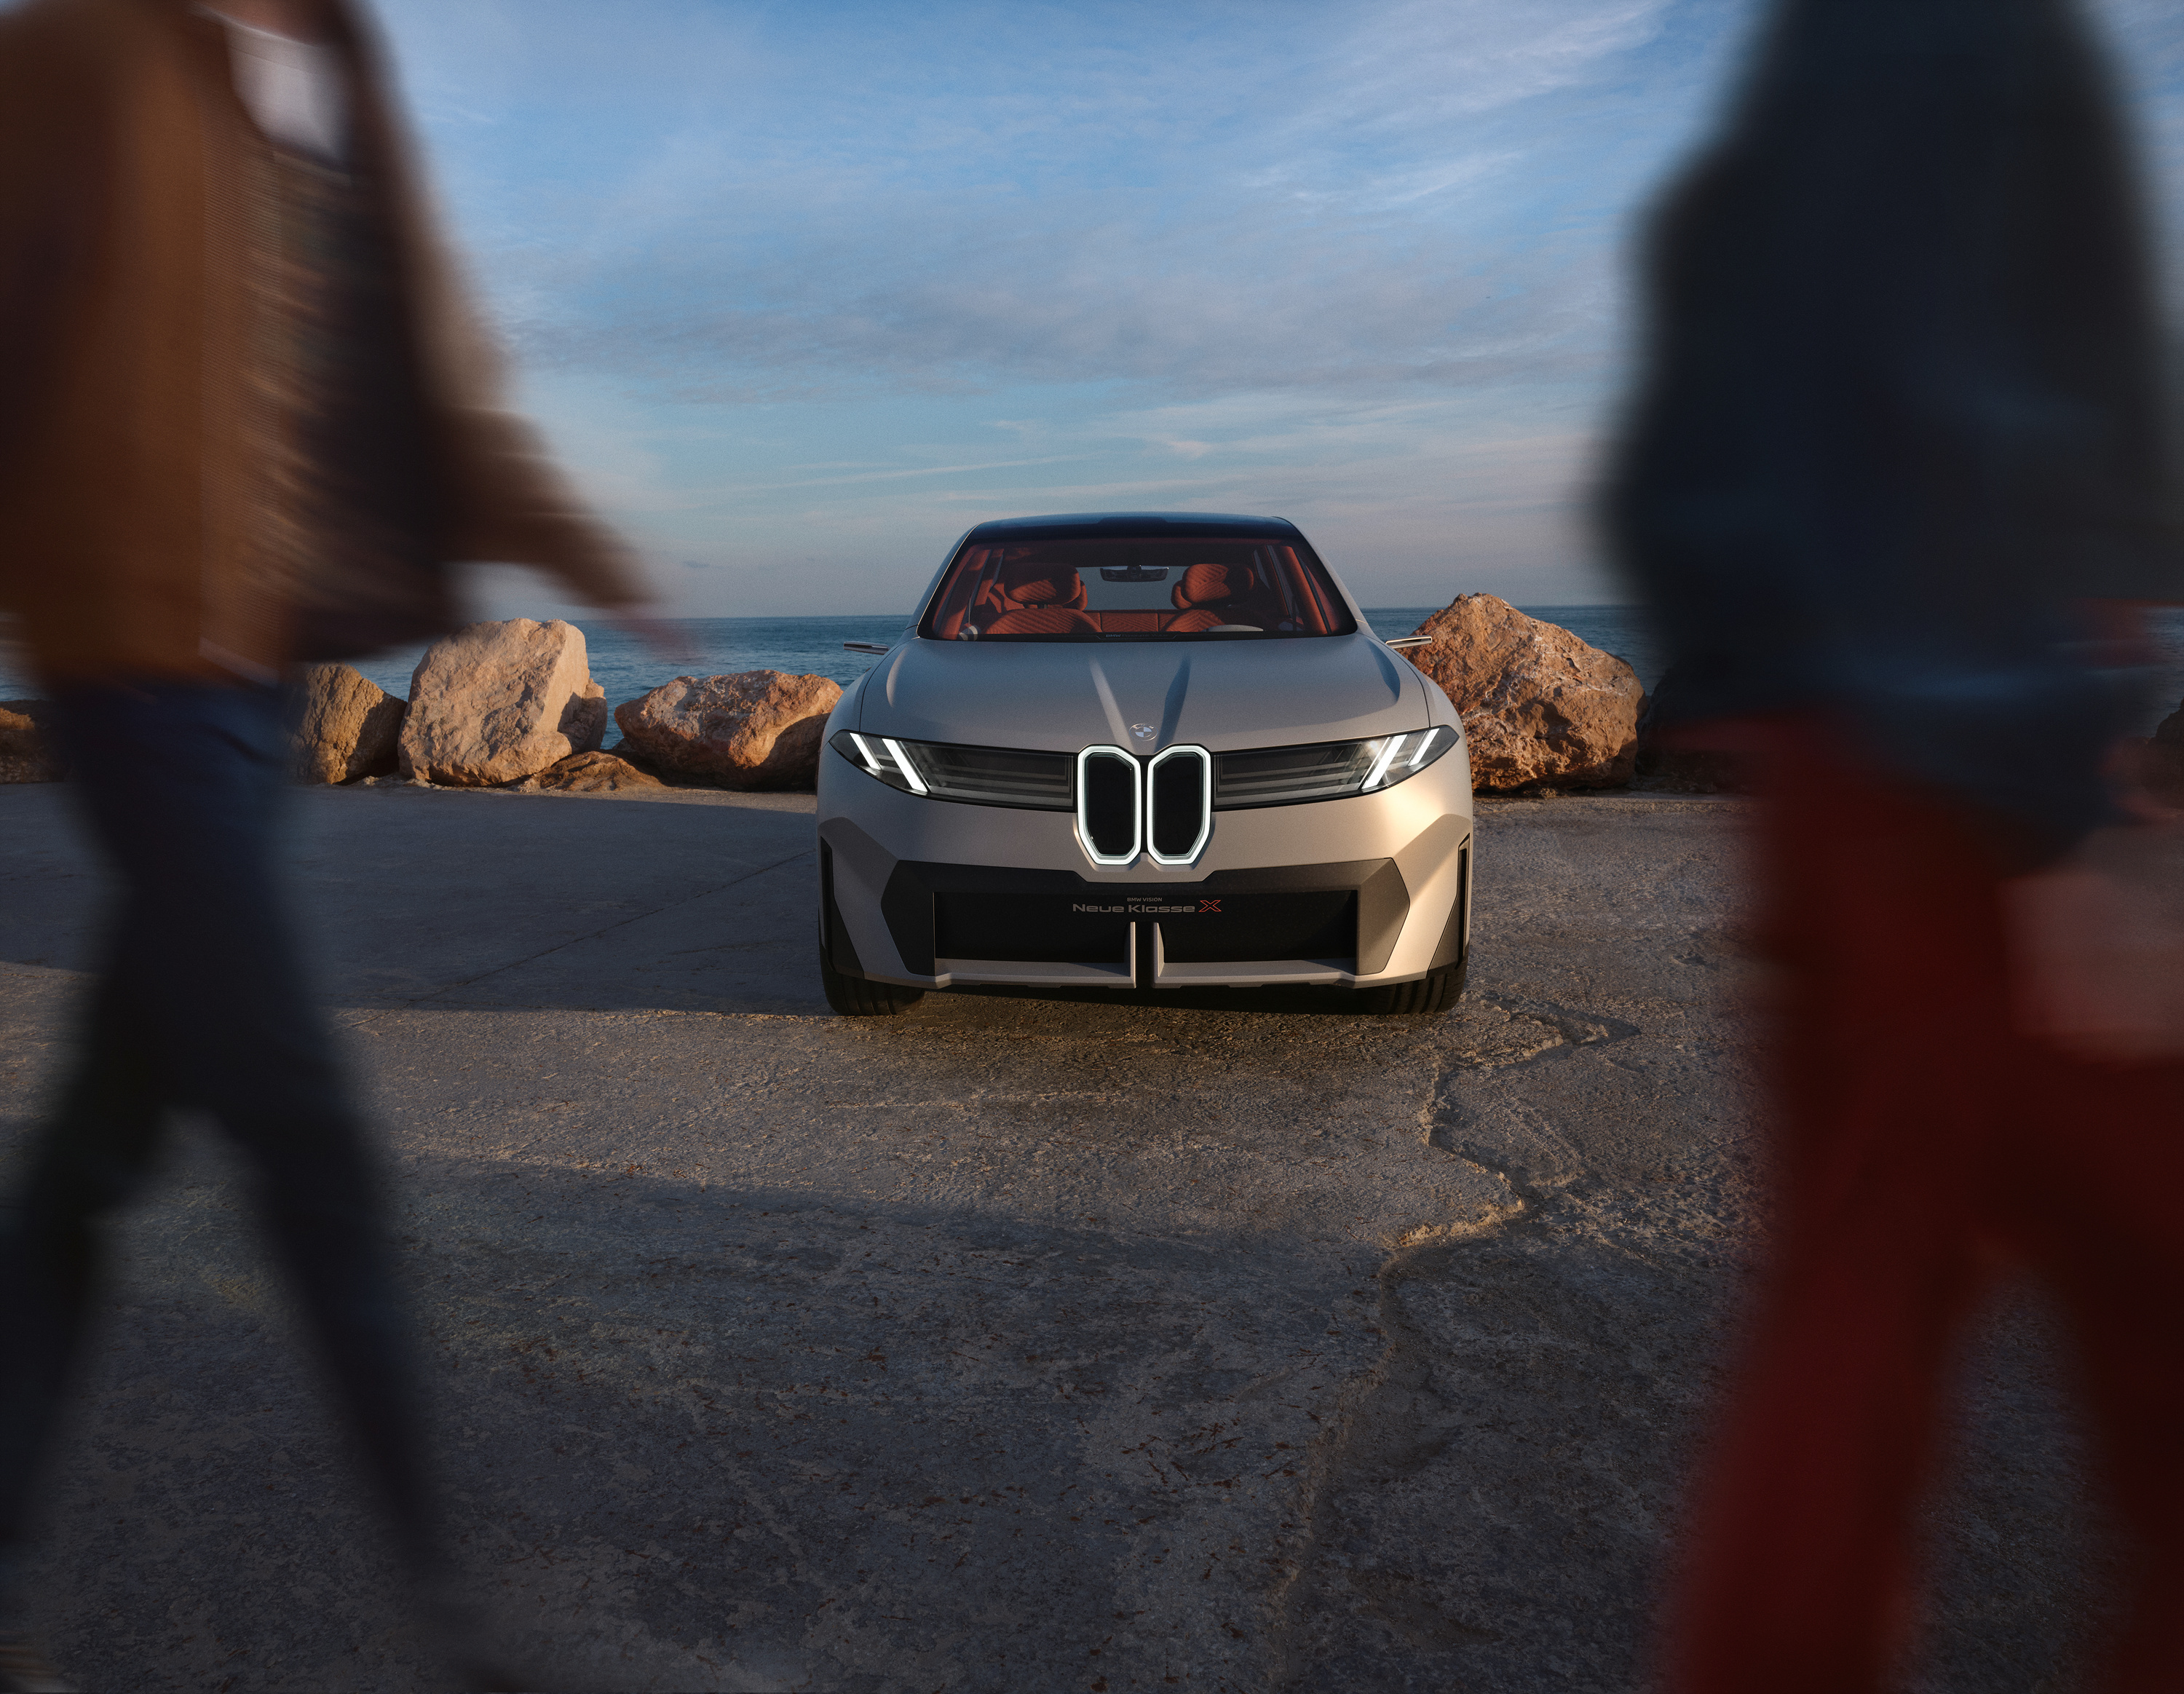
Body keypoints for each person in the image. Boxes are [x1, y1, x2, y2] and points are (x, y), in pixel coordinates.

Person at [0, 1, 657, 1688]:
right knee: (309, 1141)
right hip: (131, 673)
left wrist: (588, 553)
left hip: (251, 696)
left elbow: (427, 380)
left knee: (86, 1166)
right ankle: (455, 1621)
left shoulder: (336, 73)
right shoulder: (80, 52)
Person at [1602, 0, 2184, 1688]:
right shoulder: (1949, 35)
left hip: (1835, 765)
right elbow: (1936, 396)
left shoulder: (1784, 102)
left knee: (1847, 1329)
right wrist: (2064, 803)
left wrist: (1768, 694)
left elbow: (1683, 457)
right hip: (1968, 778)